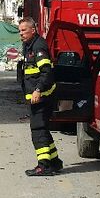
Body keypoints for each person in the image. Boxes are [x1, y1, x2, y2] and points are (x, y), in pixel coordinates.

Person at [18, 17, 63, 176]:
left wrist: (37, 90)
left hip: (42, 96)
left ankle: (43, 165)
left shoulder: (38, 47)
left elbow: (46, 72)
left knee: (38, 130)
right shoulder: (28, 45)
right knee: (43, 129)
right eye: (20, 31)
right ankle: (55, 162)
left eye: (24, 30)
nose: (21, 34)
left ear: (33, 30)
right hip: (37, 96)